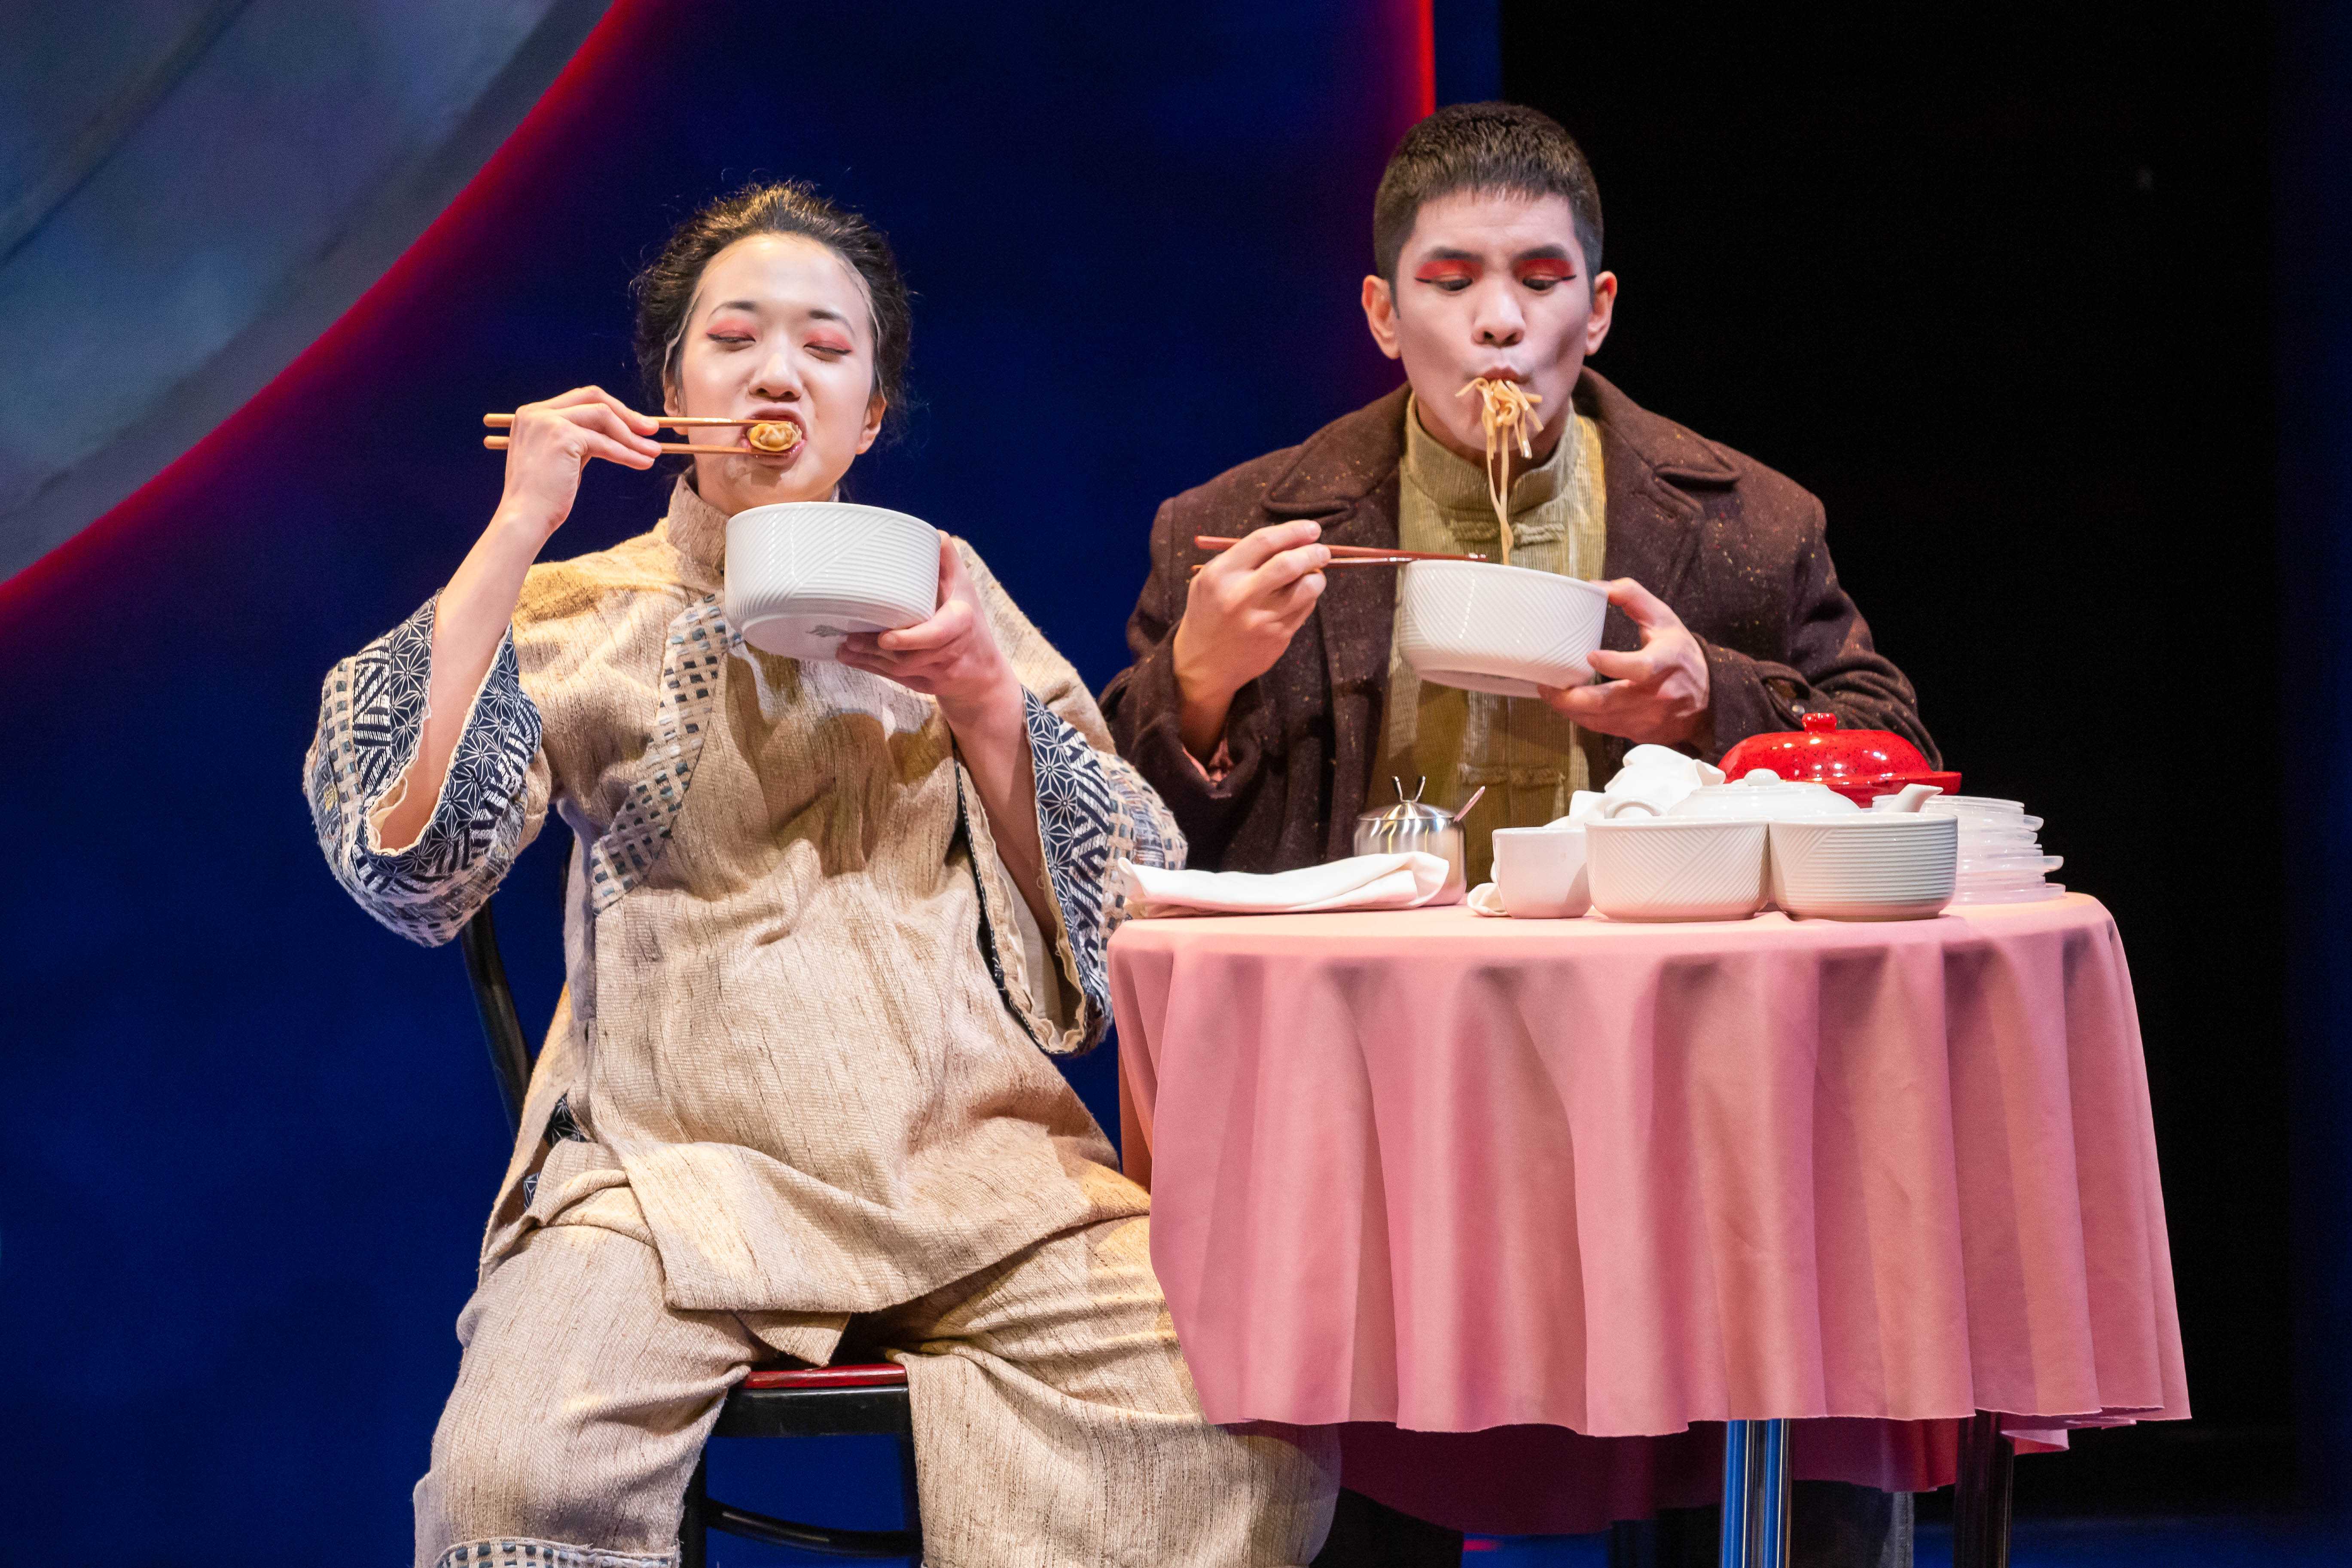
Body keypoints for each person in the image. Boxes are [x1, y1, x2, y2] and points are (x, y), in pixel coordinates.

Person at [305, 182, 1336, 1568]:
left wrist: (982, 699)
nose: (776, 372)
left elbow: (1130, 902)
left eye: (825, 347)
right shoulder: (584, 606)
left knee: (1247, 1413)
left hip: (977, 1167)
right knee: (506, 1481)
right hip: (671, 1171)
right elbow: (409, 863)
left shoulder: (949, 594)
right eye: (731, 340)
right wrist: (514, 531)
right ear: (669, 386)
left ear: (870, 413)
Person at [1100, 104, 1930, 1565]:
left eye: (1541, 278)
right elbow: (1107, 836)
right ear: (1379, 311)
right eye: (1450, 279)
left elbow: (1894, 747)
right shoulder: (1234, 527)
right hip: (1364, 1089)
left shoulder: (1743, 522)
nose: (1498, 321)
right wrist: (1195, 681)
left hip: (1669, 1071)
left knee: (1751, 1441)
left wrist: (1712, 702)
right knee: (1344, 1490)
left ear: (1597, 308)